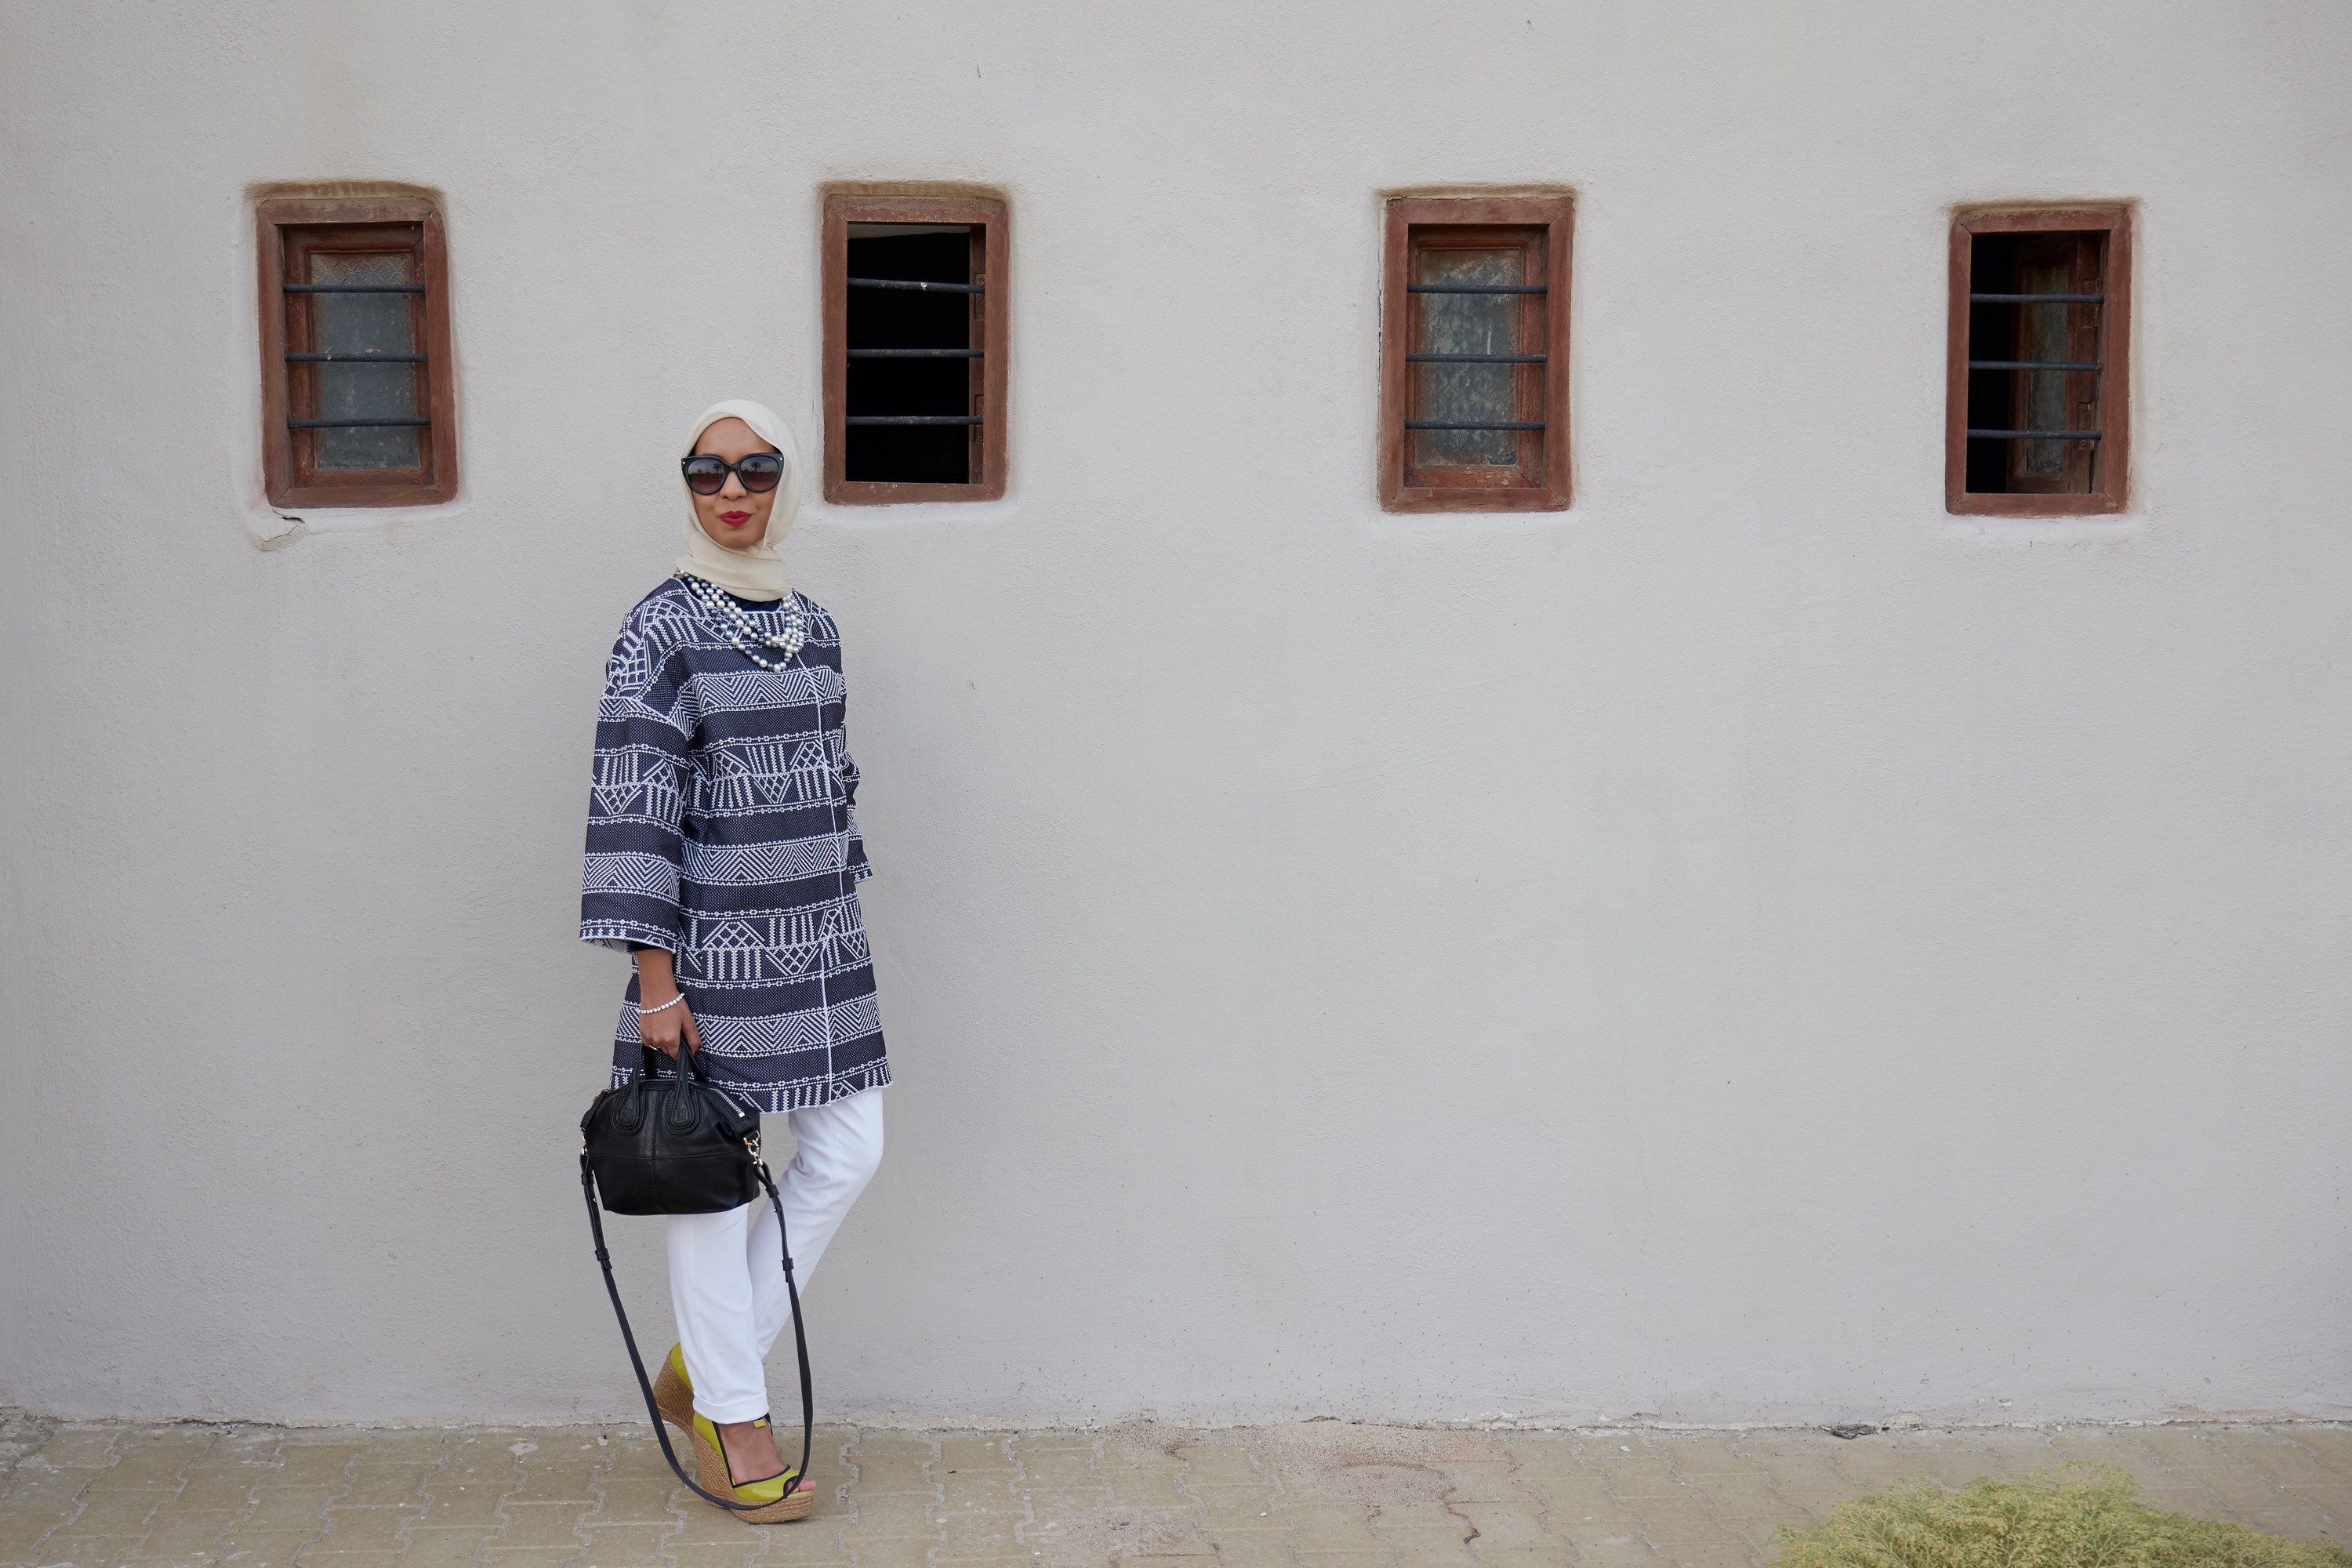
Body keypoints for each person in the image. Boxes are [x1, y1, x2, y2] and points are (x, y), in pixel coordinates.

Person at [581, 399, 888, 1523]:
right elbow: (634, 805)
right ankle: (732, 1419)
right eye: (707, 471)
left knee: (850, 1150)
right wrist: (655, 982)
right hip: (713, 952)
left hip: (819, 942)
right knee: (712, 1183)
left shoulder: (813, 623)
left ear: (783, 481)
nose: (731, 491)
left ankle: (707, 1370)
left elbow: (830, 782)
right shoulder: (657, 627)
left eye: (756, 469)